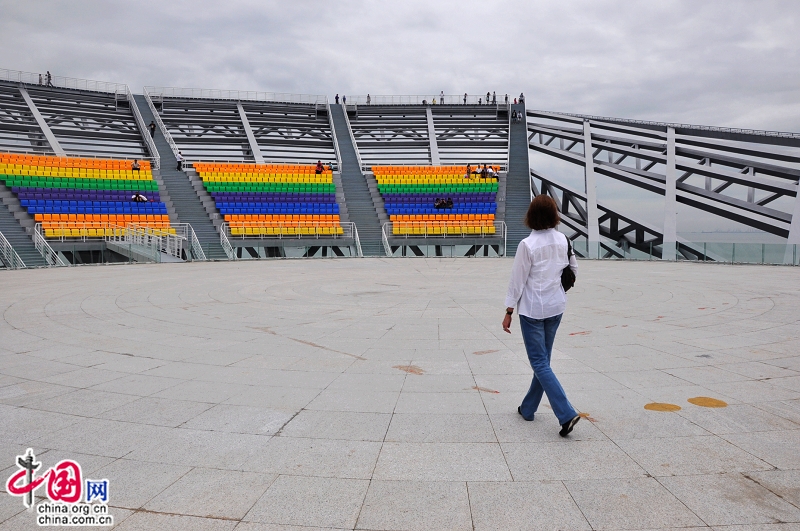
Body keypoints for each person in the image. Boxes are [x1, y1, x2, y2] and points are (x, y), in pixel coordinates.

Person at [503, 194, 580, 437]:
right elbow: (574, 270)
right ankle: (527, 408)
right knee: (543, 361)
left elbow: (517, 281)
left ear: (532, 216)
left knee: (539, 362)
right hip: (556, 306)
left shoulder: (527, 245)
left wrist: (508, 311)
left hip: (533, 310)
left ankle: (566, 413)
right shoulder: (563, 240)